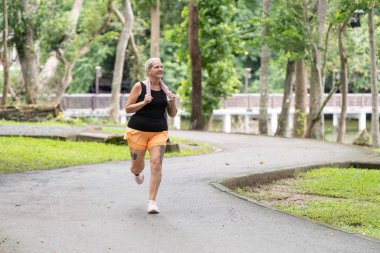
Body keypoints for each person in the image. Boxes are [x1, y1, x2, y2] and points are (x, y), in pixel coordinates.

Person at [124, 58, 177, 214]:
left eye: (161, 66)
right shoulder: (139, 87)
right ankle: (137, 173)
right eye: (156, 67)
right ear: (149, 71)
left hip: (159, 132)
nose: (160, 69)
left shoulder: (166, 91)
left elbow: (172, 114)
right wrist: (143, 102)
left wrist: (172, 102)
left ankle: (152, 202)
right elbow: (128, 109)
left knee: (156, 164)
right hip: (137, 131)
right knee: (136, 165)